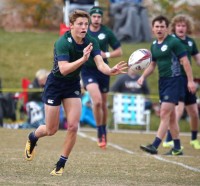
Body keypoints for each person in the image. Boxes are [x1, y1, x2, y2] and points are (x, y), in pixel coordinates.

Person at [24, 10, 127, 176]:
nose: (83, 27)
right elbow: (64, 69)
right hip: (55, 85)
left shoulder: (91, 41)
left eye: (85, 24)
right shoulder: (62, 43)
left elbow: (100, 64)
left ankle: (60, 164)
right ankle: (33, 137)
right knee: (51, 130)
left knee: (73, 126)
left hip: (72, 85)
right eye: (80, 24)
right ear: (71, 25)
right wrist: (83, 59)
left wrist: (110, 70)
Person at [138, 15, 196, 155]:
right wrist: (143, 76)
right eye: (157, 26)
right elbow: (152, 64)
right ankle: (177, 148)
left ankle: (155, 145)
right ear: (152, 29)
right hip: (163, 82)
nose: (159, 29)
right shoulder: (154, 45)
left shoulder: (174, 42)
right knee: (170, 118)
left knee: (164, 112)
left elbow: (185, 62)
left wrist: (190, 80)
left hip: (175, 81)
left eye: (162, 26)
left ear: (167, 28)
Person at [81, 6, 123, 149]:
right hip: (88, 71)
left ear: (102, 18)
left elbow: (119, 51)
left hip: (104, 70)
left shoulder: (107, 32)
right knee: (97, 101)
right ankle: (99, 131)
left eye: (99, 17)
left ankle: (103, 130)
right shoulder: (84, 32)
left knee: (104, 104)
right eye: (94, 16)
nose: (97, 19)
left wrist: (107, 55)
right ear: (90, 18)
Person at [162, 14, 200, 150]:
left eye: (183, 25)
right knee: (178, 110)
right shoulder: (171, 41)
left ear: (187, 27)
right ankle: (168, 139)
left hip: (188, 80)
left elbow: (197, 59)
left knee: (194, 112)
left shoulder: (190, 42)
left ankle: (194, 139)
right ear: (174, 27)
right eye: (178, 25)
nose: (181, 28)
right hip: (176, 79)